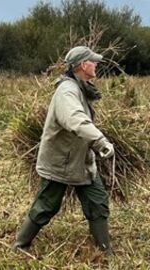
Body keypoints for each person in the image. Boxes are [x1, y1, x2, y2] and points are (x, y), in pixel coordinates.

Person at [12, 46, 114, 255]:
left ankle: (105, 250)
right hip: (61, 161)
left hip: (82, 160)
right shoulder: (67, 91)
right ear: (83, 65)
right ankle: (20, 245)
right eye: (93, 62)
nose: (96, 65)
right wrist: (101, 140)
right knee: (47, 205)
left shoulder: (80, 86)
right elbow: (75, 119)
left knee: (98, 202)